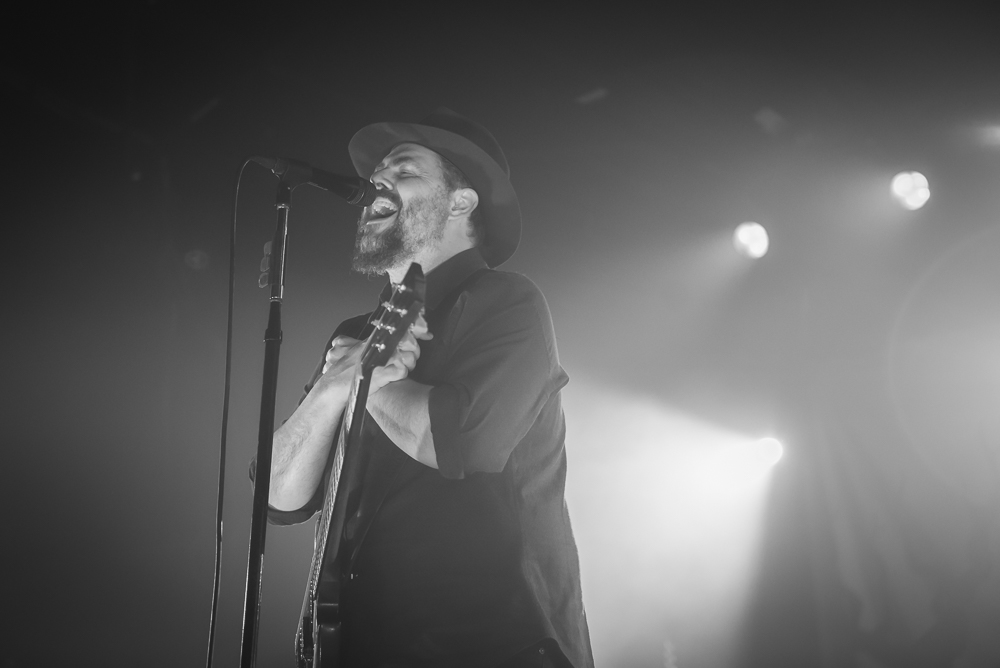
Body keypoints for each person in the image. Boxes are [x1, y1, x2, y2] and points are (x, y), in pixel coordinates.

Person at [265, 108, 594, 668]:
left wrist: (366, 383)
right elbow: (279, 498)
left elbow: (460, 442)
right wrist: (330, 388)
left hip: (496, 646)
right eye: (378, 171)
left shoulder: (507, 302)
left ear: (461, 202)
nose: (377, 181)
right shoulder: (353, 336)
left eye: (404, 169)